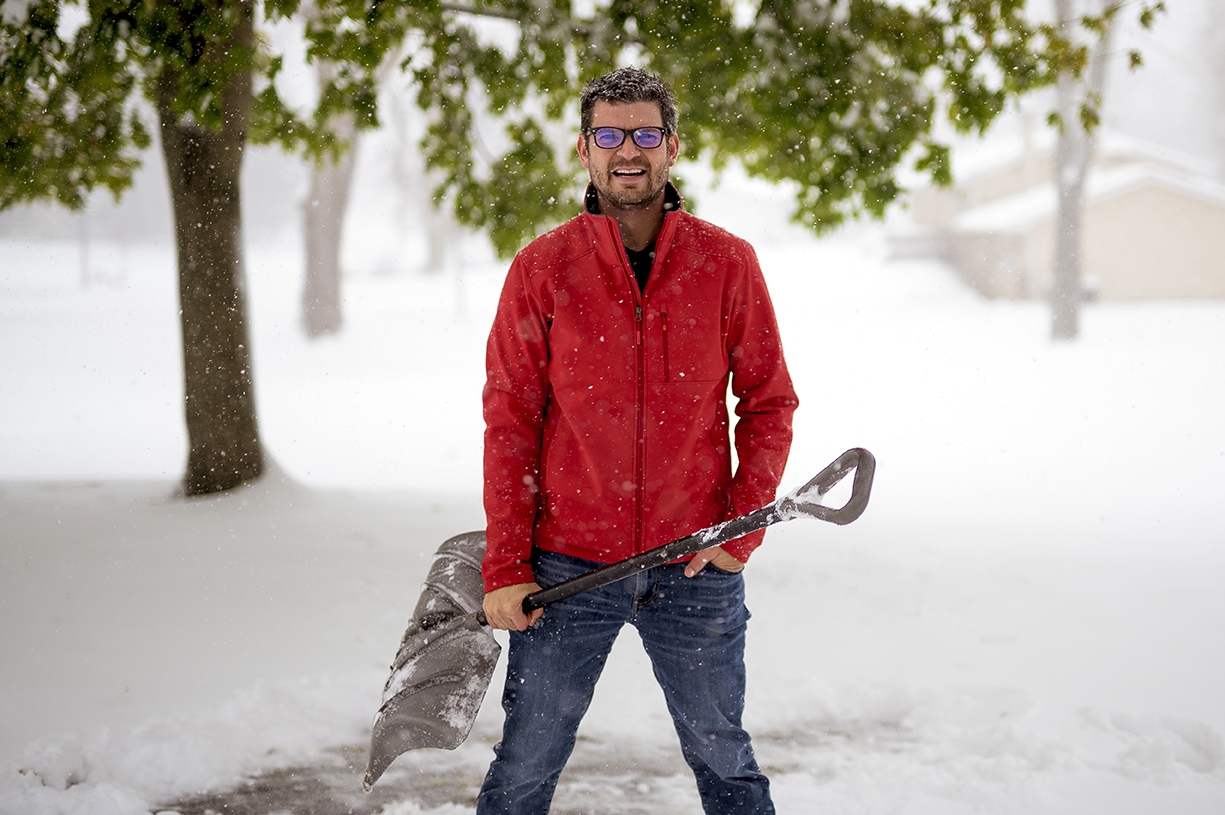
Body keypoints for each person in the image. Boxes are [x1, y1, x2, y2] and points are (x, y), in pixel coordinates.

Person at [478, 67, 798, 815]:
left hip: (695, 563)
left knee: (723, 752)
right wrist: (505, 564)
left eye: (646, 134)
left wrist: (738, 533)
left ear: (672, 147)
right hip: (567, 568)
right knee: (526, 760)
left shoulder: (725, 262)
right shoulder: (542, 268)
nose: (630, 151)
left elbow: (768, 401)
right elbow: (510, 421)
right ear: (583, 150)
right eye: (611, 135)